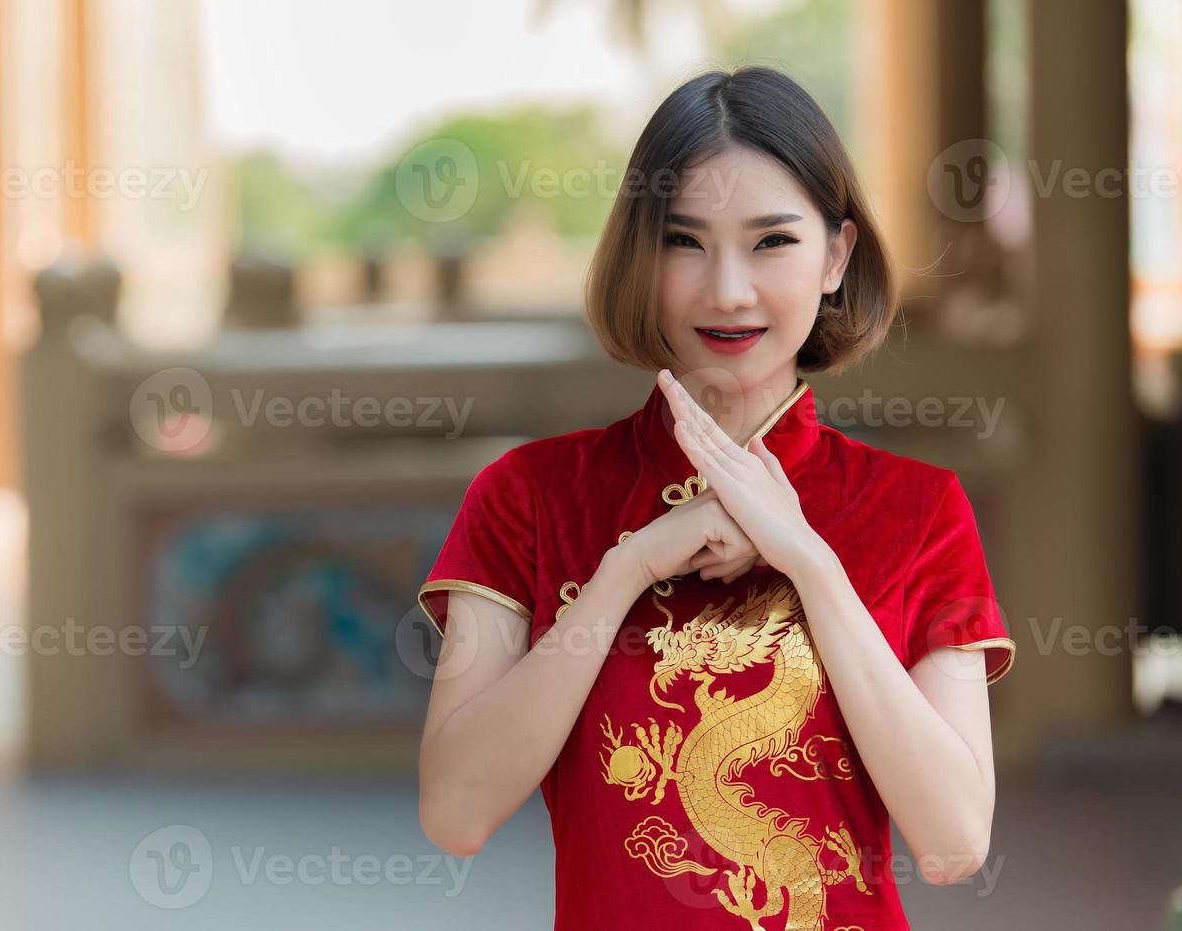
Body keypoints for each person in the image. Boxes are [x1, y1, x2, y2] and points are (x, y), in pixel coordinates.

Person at [415, 65, 1015, 930]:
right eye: (685, 241)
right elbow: (456, 813)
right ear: (638, 256)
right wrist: (626, 568)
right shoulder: (532, 497)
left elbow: (955, 842)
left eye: (772, 242)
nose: (727, 289)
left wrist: (808, 560)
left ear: (837, 256)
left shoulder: (917, 508)